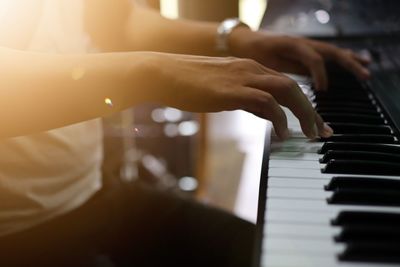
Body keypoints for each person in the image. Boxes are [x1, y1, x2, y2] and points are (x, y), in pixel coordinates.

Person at [0, 0, 370, 266]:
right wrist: (152, 72)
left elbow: (115, 20)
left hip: (91, 192)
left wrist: (234, 38)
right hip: (17, 233)